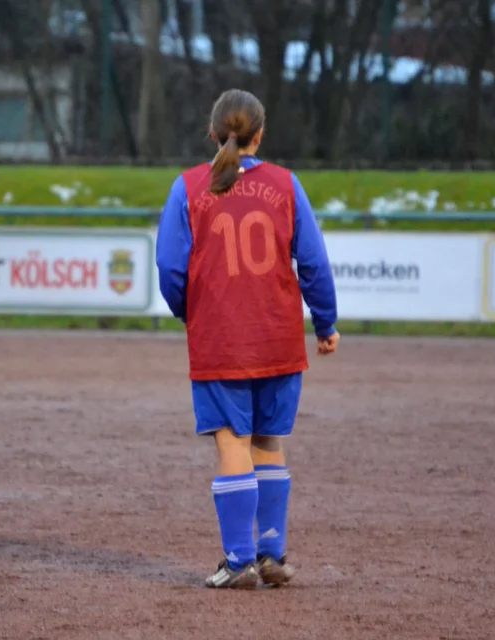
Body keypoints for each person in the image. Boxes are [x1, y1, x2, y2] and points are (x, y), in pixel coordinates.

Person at [156, 89, 339, 589]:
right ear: (260, 134)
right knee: (267, 441)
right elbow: (314, 262)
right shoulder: (286, 184)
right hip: (278, 338)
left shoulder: (188, 187)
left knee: (232, 443)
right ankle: (272, 554)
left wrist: (190, 311)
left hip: (220, 340)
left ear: (212, 133)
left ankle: (239, 562)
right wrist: (326, 324)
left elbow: (170, 267)